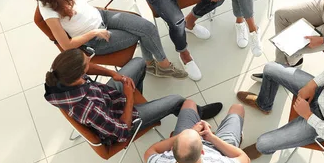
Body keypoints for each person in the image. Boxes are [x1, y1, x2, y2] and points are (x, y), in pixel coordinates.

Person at [30, 0, 187, 79]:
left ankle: (155, 65)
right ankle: (161, 65)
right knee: (142, 33)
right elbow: (66, 45)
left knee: (148, 28)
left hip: (101, 16)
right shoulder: (48, 10)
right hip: (93, 39)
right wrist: (94, 32)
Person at [44, 48, 223, 145]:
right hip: (123, 121)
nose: (90, 62)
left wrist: (112, 74)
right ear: (78, 74)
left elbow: (87, 67)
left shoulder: (60, 76)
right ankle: (196, 115)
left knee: (138, 63)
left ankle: (144, 105)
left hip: (107, 97)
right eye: (86, 63)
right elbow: (122, 131)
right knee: (177, 100)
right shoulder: (88, 109)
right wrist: (130, 97)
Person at [145, 101, 249, 163]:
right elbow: (245, 159)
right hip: (218, 151)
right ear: (202, 152)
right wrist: (212, 138)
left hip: (187, 152)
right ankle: (237, 135)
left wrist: (188, 132)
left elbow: (151, 150)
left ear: (172, 150)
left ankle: (199, 114)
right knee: (237, 108)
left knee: (189, 103)